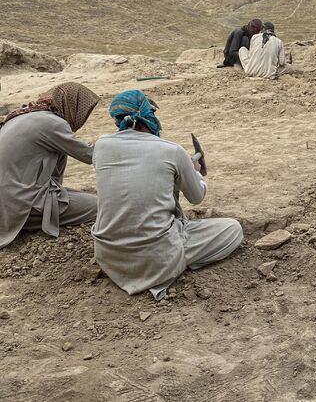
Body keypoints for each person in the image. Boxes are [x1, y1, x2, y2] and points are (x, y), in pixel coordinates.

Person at [91, 90, 243, 300]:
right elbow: (197, 197)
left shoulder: (101, 145)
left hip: (110, 256)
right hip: (157, 256)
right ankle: (173, 264)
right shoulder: (172, 151)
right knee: (233, 229)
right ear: (149, 115)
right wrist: (195, 172)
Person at [0, 83, 100, 248]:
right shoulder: (53, 124)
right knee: (100, 206)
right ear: (71, 105)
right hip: (20, 203)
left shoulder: (22, 115)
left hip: (6, 201)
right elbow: (90, 154)